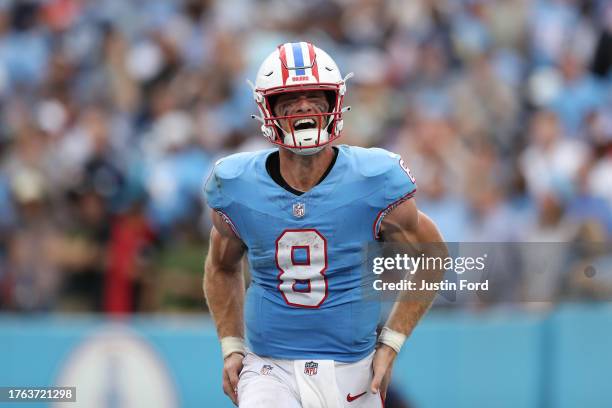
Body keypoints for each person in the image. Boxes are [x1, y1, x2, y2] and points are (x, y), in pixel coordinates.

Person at [204, 42, 445, 408]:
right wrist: (232, 346)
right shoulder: (237, 186)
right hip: (270, 369)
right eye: (289, 98)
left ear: (335, 103)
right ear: (266, 108)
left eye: (315, 97)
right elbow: (220, 267)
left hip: (353, 368)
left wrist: (392, 342)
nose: (303, 107)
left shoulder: (373, 179)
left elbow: (434, 257)